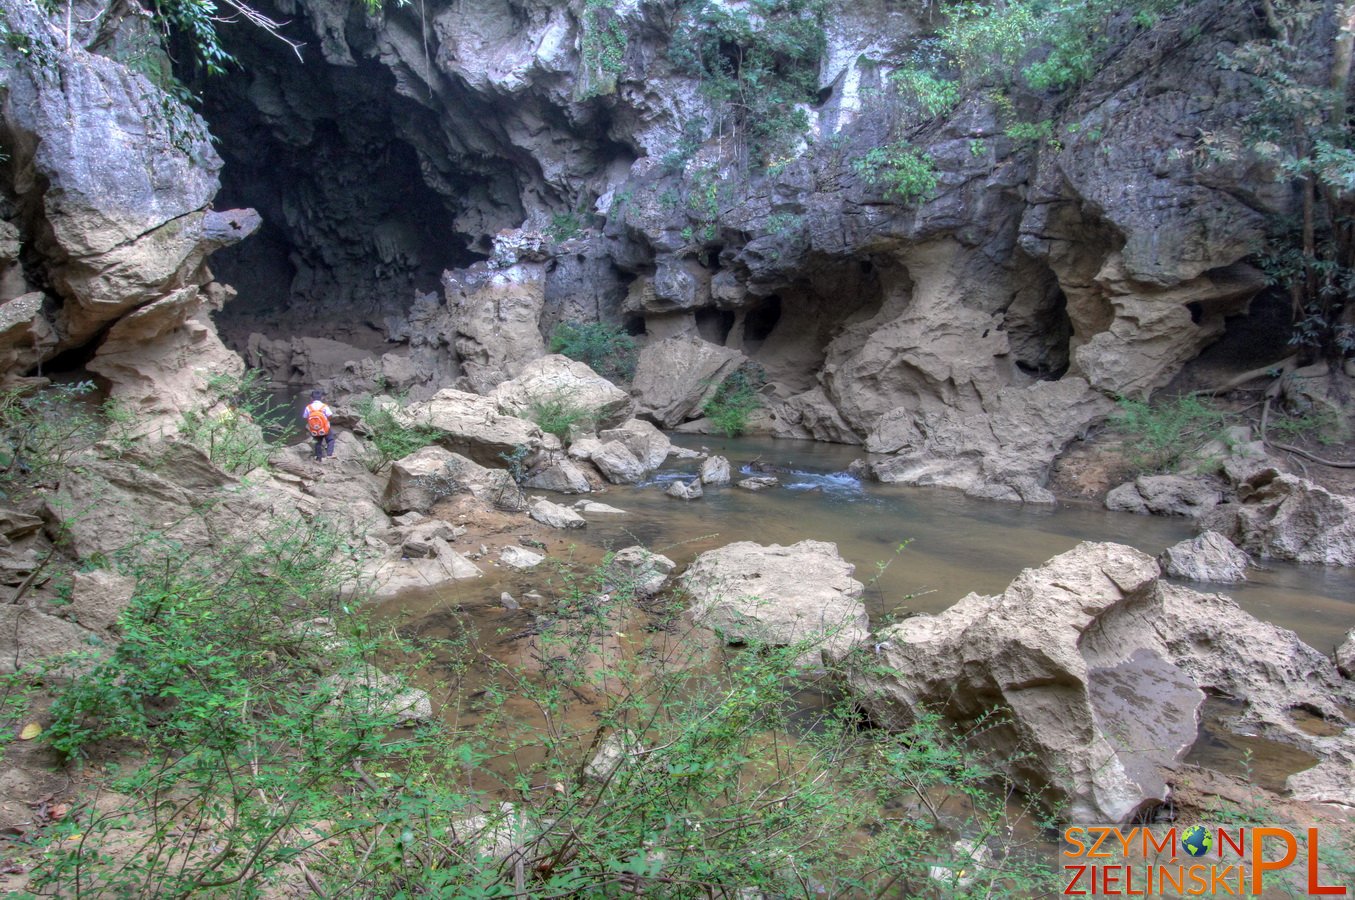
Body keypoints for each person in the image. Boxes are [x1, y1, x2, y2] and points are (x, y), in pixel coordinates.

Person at [302, 389, 335, 461]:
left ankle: (318, 457)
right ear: (322, 397)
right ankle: (329, 454)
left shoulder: (308, 407)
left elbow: (305, 417)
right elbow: (330, 415)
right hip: (325, 428)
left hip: (314, 429)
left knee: (317, 442)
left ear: (311, 398)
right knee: (330, 440)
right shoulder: (324, 406)